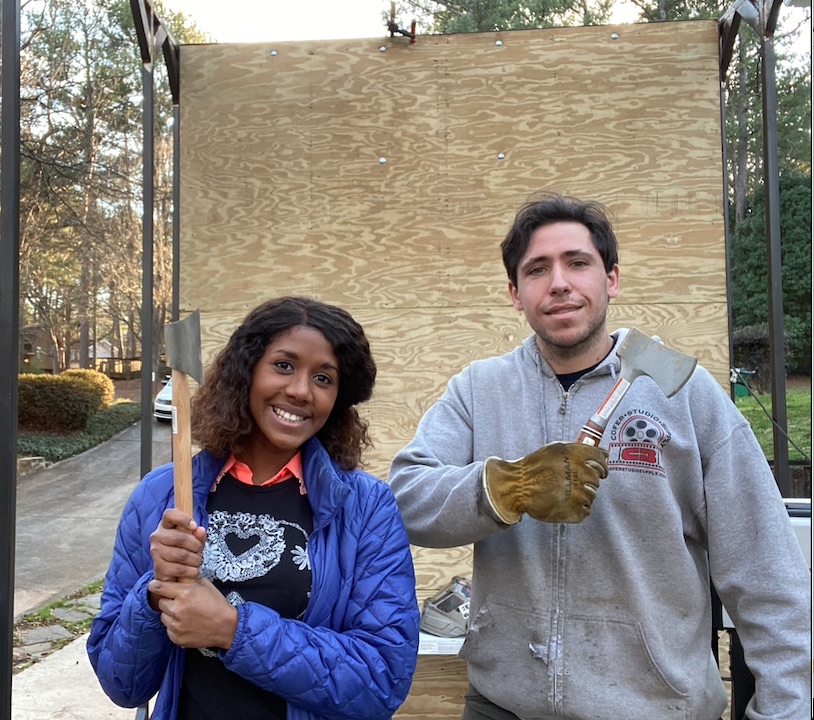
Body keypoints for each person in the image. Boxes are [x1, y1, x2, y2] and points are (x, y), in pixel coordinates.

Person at [388, 193, 811, 719]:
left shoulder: (685, 396)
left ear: (610, 279)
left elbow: (764, 567)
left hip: (656, 708)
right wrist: (508, 487)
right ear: (515, 294)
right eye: (537, 269)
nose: (559, 282)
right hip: (503, 706)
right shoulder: (480, 389)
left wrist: (785, 708)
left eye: (578, 263)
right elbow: (406, 501)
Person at [88, 296, 420, 720]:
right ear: (246, 372)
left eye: (323, 378)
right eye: (283, 365)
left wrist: (232, 629)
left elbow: (382, 680)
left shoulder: (366, 508)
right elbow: (122, 684)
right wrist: (153, 592)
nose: (301, 390)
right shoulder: (162, 496)